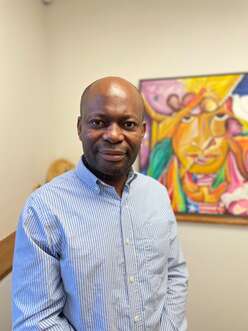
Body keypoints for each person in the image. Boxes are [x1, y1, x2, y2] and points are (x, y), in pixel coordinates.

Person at [12, 77, 188, 330]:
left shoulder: (157, 195)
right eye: (99, 122)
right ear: (80, 127)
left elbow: (175, 274)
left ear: (142, 130)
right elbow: (36, 319)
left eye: (127, 124)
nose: (114, 135)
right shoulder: (43, 209)